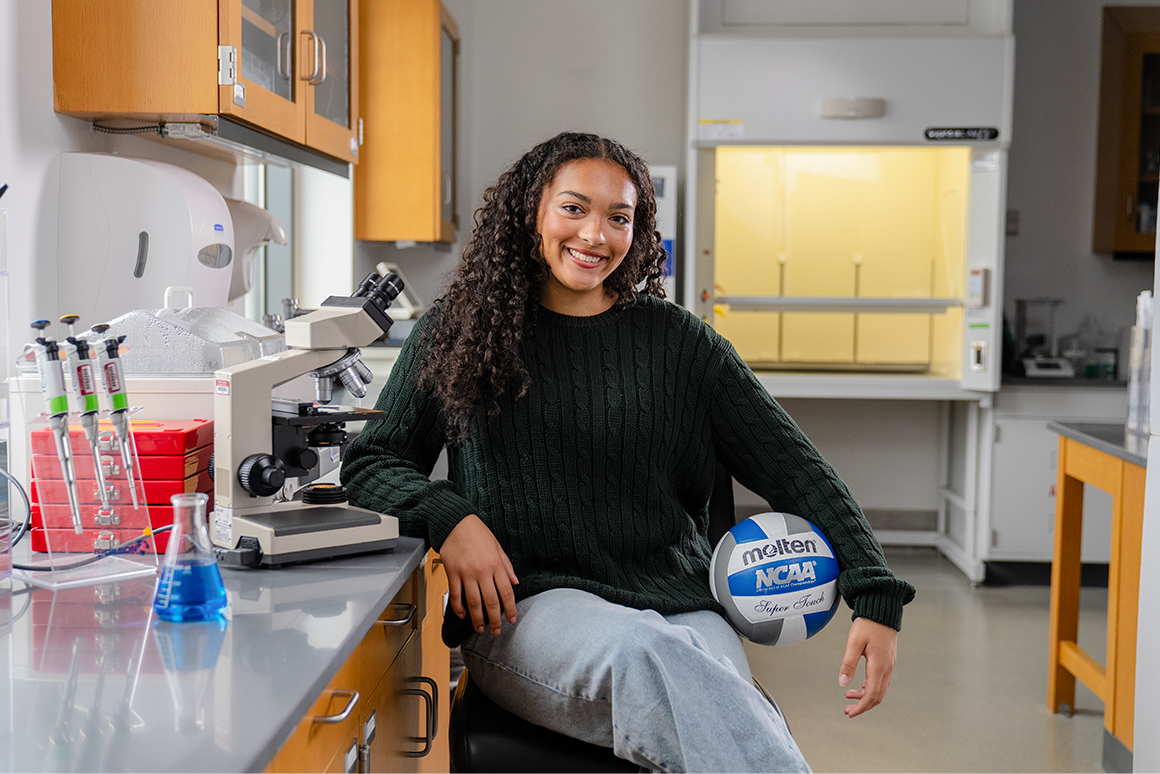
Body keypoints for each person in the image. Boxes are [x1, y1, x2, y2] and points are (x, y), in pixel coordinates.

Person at [341, 131, 916, 772]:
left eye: (619, 217)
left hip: (683, 604)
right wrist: (453, 519)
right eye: (573, 208)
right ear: (531, 211)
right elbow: (372, 461)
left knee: (694, 681)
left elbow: (797, 470)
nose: (595, 235)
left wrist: (875, 593)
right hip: (531, 610)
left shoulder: (682, 345)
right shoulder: (459, 331)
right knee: (653, 658)